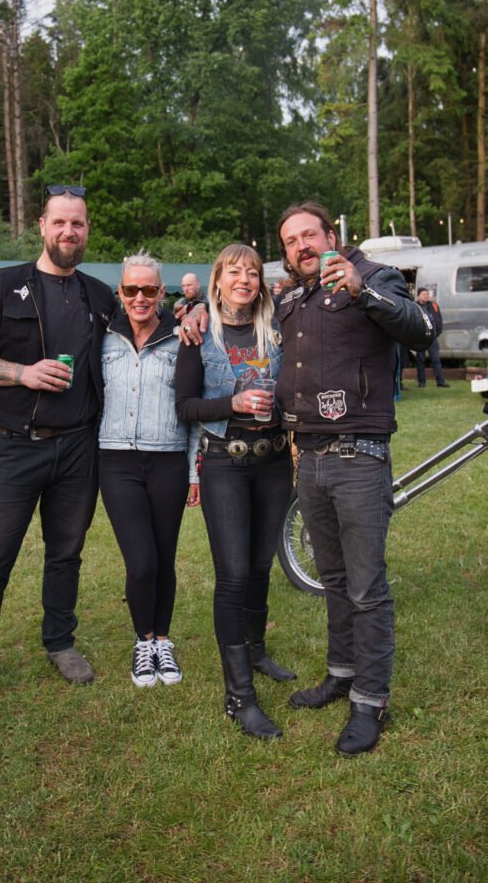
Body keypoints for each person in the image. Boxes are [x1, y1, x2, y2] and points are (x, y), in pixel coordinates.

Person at [0, 185, 119, 705]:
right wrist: (21, 373)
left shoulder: (100, 296)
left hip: (79, 447)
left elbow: (140, 335)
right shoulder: (6, 286)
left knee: (67, 552)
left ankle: (60, 641)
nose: (68, 232)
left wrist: (185, 321)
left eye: (77, 224)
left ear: (86, 230)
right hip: (15, 445)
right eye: (59, 223)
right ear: (42, 225)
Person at [274, 202, 435, 756]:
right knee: (334, 580)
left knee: (367, 587)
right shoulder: (292, 297)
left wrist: (363, 290)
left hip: (360, 453)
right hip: (310, 458)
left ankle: (370, 700)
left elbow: (420, 331)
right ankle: (341, 673)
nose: (300, 246)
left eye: (309, 235)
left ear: (332, 236)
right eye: (291, 240)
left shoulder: (372, 275)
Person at [175, 244, 294, 740]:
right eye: (233, 272)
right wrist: (233, 400)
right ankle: (238, 695)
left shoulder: (279, 325)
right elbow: (184, 405)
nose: (243, 279)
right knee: (234, 574)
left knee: (263, 563)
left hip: (273, 462)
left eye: (251, 272)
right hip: (226, 461)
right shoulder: (199, 334)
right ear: (217, 281)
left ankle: (257, 650)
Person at [99, 252, 200, 688]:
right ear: (120, 292)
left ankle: (163, 640)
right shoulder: (101, 338)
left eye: (148, 289)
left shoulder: (183, 340)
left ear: (162, 293)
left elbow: (193, 410)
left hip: (169, 459)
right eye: (131, 289)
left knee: (163, 557)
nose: (139, 297)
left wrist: (194, 470)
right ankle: (144, 641)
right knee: (140, 561)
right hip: (116, 459)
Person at [414, 288, 449, 388]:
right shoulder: (414, 306)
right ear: (419, 295)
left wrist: (437, 332)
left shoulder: (433, 305)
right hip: (420, 337)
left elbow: (439, 319)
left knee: (435, 359)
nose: (426, 296)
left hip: (432, 337)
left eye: (427, 294)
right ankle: (421, 382)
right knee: (420, 360)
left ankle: (440, 382)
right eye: (424, 294)